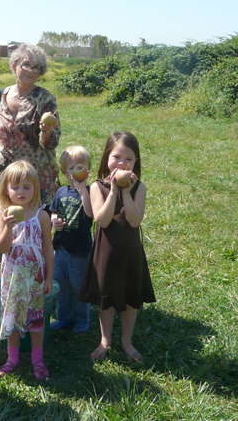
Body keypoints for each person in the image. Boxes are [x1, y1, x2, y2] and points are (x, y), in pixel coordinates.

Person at [78, 131, 156, 363]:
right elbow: (102, 220)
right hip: (106, 253)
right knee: (106, 299)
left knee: (130, 300)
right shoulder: (96, 187)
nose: (122, 163)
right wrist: (113, 191)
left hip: (130, 254)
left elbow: (134, 220)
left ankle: (126, 341)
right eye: (117, 157)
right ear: (106, 158)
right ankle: (105, 340)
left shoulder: (139, 188)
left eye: (129, 159)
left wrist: (126, 192)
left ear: (135, 163)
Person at [0, 161, 54, 380]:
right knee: (12, 317)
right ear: (6, 189)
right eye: (15, 186)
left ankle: (37, 359)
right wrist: (8, 227)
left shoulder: (41, 216)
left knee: (36, 320)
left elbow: (48, 247)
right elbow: (3, 248)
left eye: (27, 187)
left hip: (35, 279)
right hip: (13, 278)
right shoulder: (2, 215)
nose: (20, 192)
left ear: (35, 189)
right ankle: (13, 359)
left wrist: (49, 277)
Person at [0, 43, 61, 208]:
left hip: (33, 178)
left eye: (37, 67)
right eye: (27, 65)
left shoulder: (46, 99)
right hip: (4, 175)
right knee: (5, 225)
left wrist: (46, 132)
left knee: (34, 227)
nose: (31, 70)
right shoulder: (0, 95)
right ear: (14, 66)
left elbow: (51, 143)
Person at [49, 145, 94, 334]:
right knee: (61, 286)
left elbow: (91, 213)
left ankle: (82, 319)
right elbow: (53, 210)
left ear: (87, 170)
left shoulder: (91, 192)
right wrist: (54, 221)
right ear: (65, 171)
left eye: (80, 166)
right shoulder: (61, 192)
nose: (75, 170)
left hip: (80, 250)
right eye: (71, 167)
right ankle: (63, 317)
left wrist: (83, 191)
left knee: (79, 287)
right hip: (60, 248)